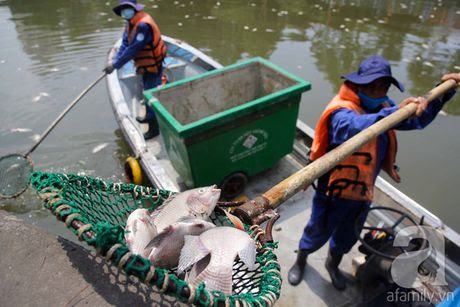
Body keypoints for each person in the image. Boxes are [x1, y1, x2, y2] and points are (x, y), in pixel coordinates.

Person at [287, 55, 459, 290]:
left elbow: (417, 120)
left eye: (383, 86)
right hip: (332, 193)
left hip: (362, 194)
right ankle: (301, 260)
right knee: (317, 231)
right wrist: (396, 111)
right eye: (371, 85)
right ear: (358, 84)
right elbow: (353, 128)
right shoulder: (341, 110)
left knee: (346, 237)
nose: (377, 91)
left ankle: (332, 265)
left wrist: (443, 92)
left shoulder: (386, 108)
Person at [104, 0, 166, 140]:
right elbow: (125, 44)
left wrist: (116, 65)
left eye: (128, 8)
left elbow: (133, 49)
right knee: (147, 91)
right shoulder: (130, 23)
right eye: (123, 9)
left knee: (150, 95)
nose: (125, 11)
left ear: (135, 9)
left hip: (153, 64)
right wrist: (115, 62)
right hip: (145, 65)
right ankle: (149, 117)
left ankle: (154, 128)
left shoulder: (143, 25)